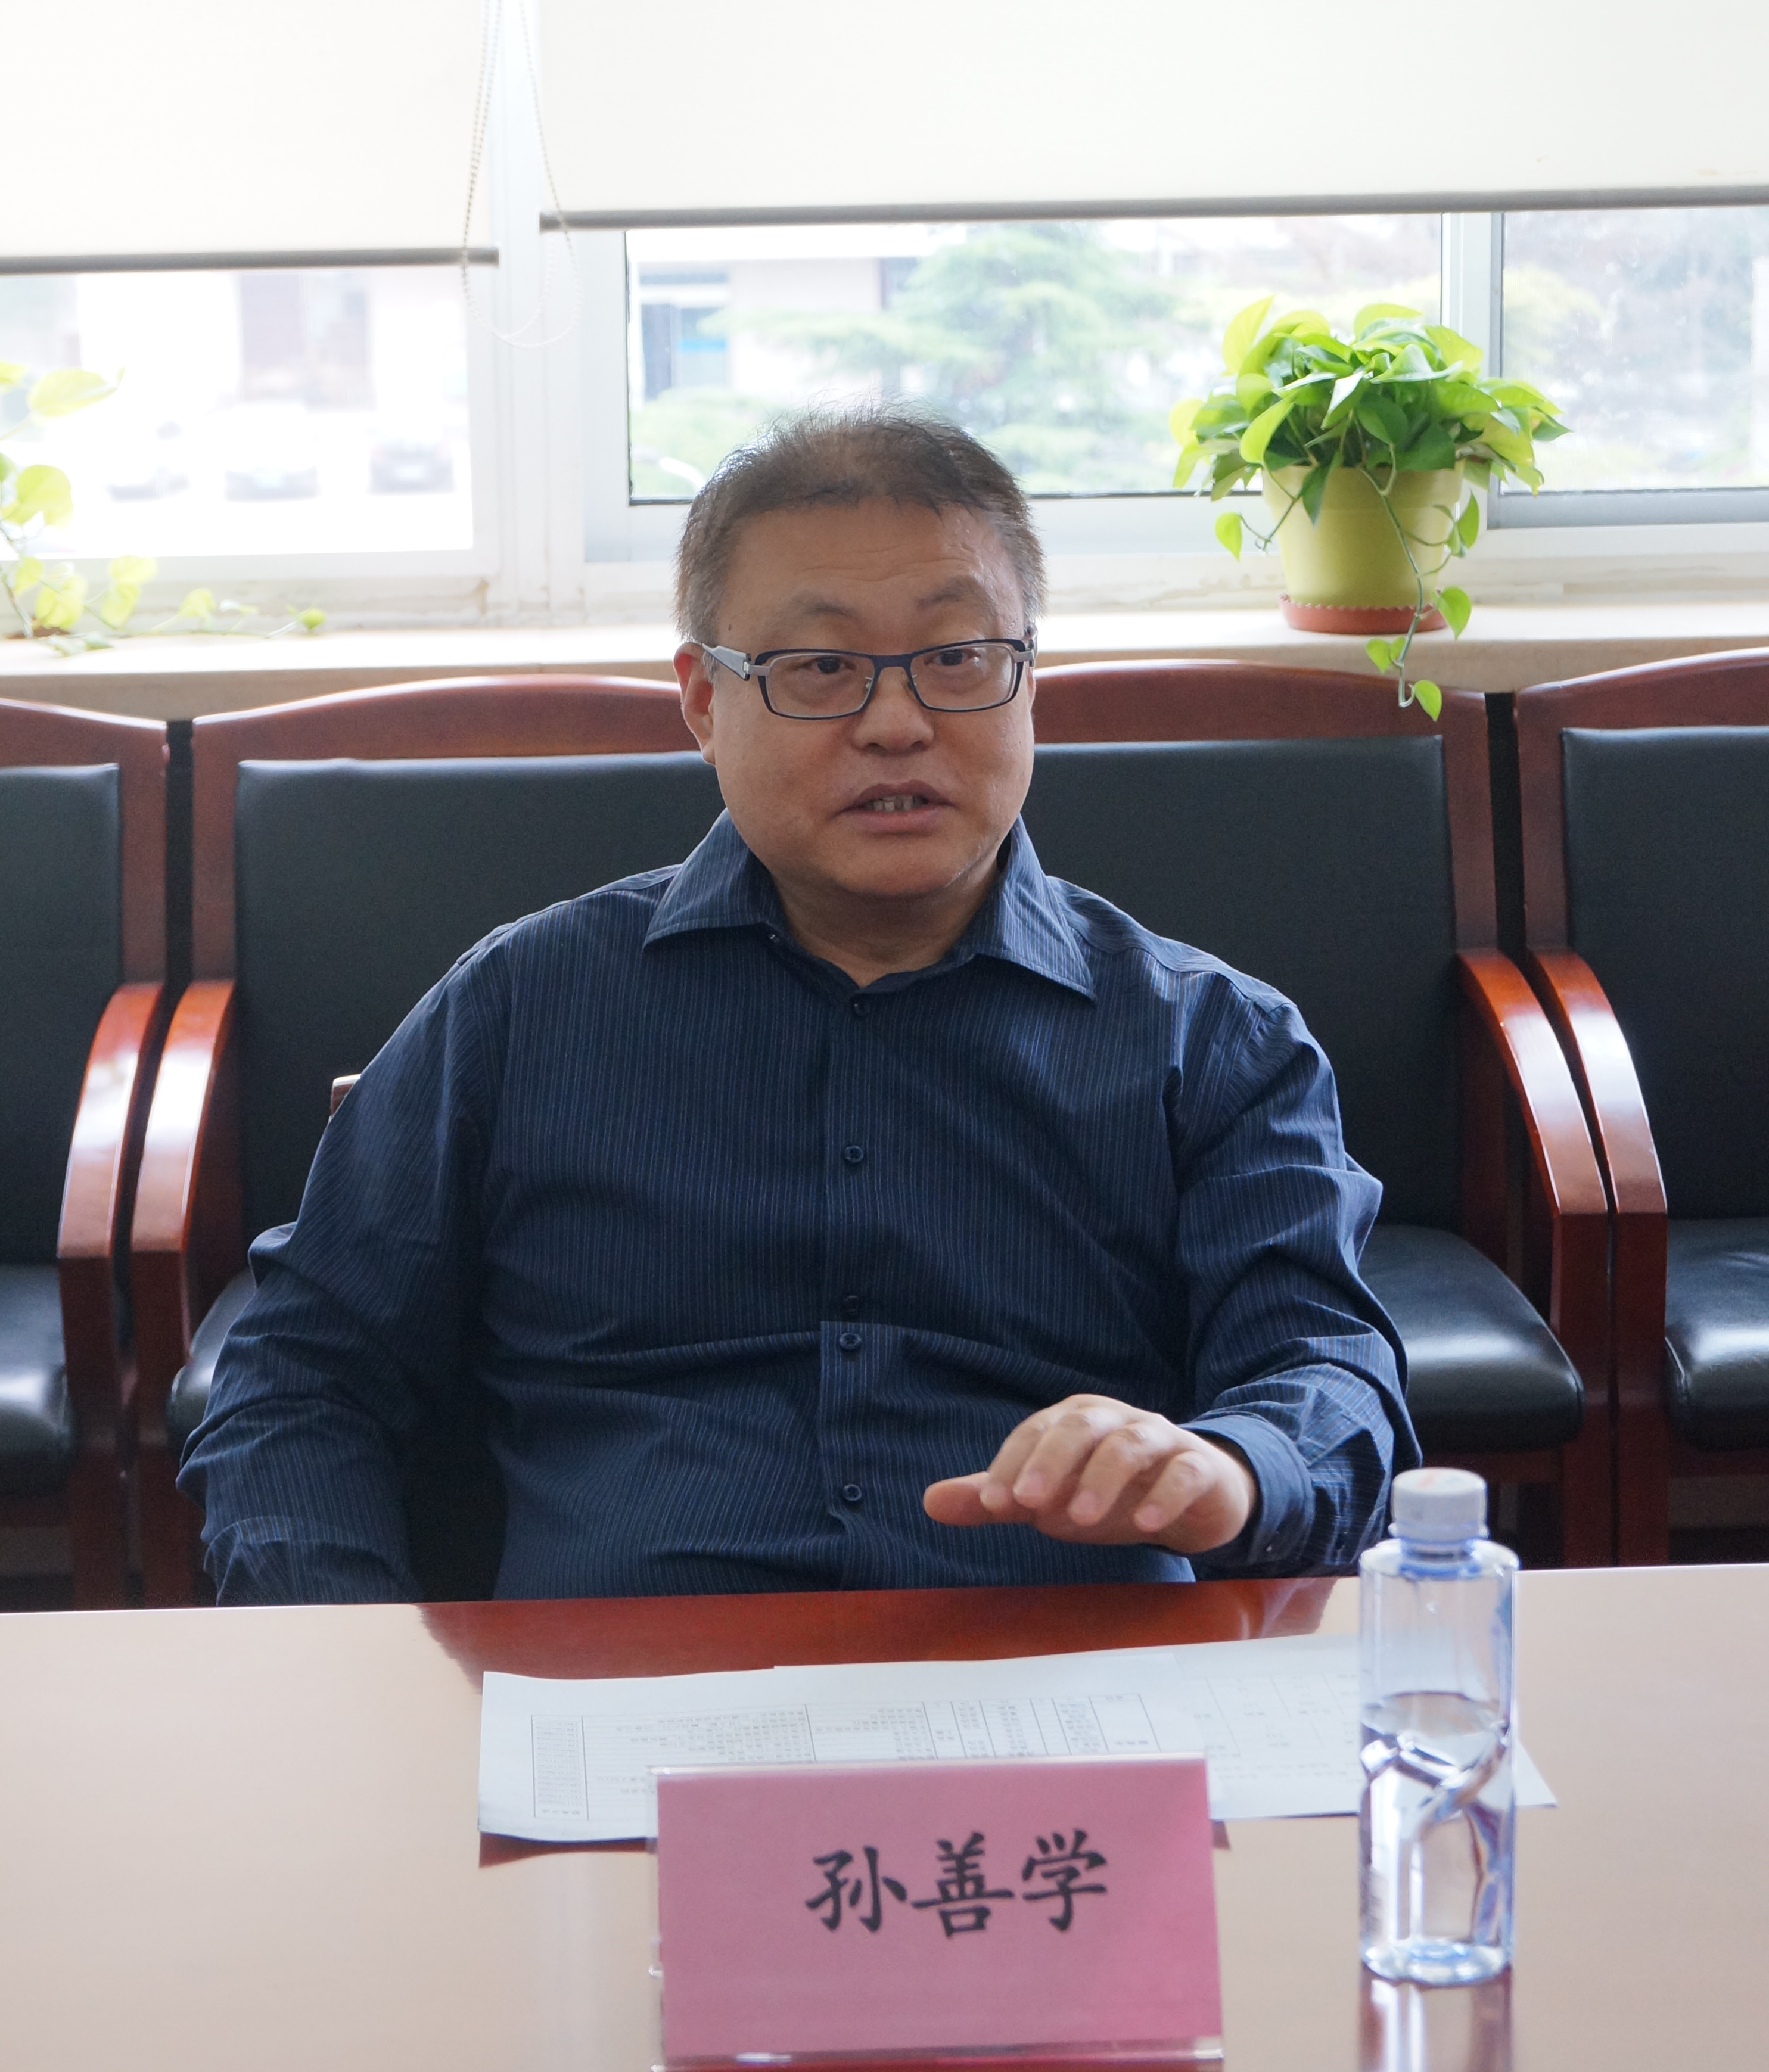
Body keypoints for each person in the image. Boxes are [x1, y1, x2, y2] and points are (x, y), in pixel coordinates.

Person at [183, 408, 1414, 1603]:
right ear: (702, 700)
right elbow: (303, 1378)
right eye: (821, 667)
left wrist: (1232, 1468)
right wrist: (350, 1658)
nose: (897, 724)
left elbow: (1326, 1371)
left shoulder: (1214, 1038)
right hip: (623, 1688)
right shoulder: (524, 1007)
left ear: (1030, 678)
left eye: (958, 657)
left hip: (1067, 1685)